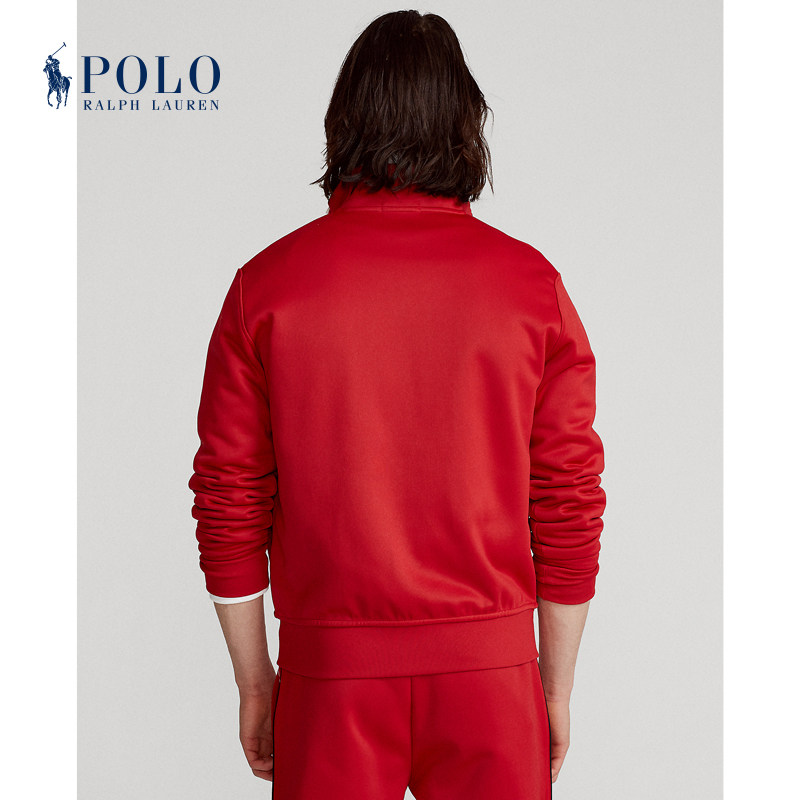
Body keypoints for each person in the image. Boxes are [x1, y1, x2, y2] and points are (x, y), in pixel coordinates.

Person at [188, 10, 606, 799]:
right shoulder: (532, 289)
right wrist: (552, 687)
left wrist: (255, 681)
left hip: (331, 678)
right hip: (491, 678)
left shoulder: (266, 288)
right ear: (465, 124)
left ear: (344, 120)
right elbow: (568, 498)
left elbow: (229, 494)